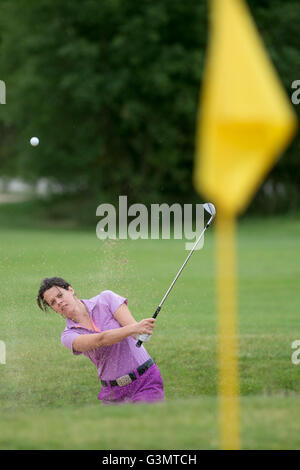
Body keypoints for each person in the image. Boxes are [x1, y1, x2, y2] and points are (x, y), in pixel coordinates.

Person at [37, 277, 164, 405]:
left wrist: (141, 332)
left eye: (60, 295)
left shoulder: (106, 299)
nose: (58, 302)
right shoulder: (68, 336)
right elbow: (100, 340)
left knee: (144, 422)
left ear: (70, 290)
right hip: (112, 393)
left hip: (145, 381)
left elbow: (136, 333)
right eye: (53, 302)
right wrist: (134, 328)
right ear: (53, 309)